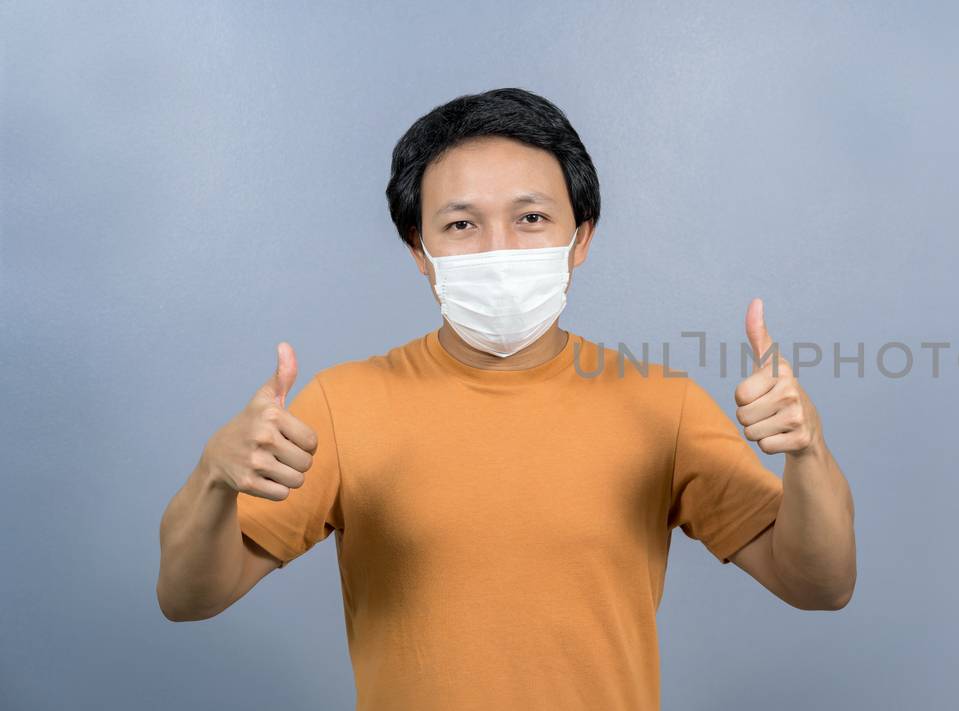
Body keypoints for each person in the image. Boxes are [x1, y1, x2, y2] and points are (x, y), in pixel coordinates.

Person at [155, 87, 857, 710]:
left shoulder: (661, 406)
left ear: (580, 238)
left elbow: (819, 583)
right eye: (461, 225)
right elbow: (188, 597)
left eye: (530, 219)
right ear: (418, 249)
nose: (499, 250)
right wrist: (214, 475)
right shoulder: (343, 403)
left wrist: (809, 452)